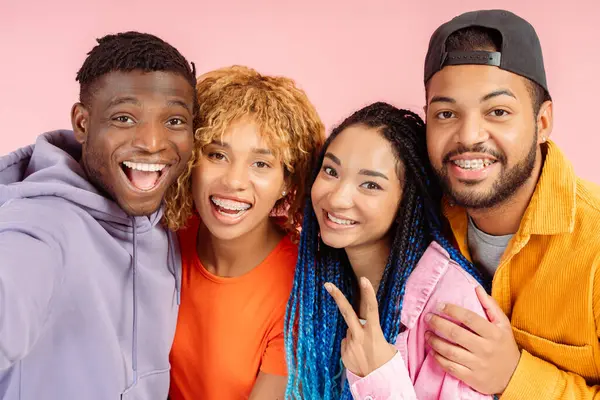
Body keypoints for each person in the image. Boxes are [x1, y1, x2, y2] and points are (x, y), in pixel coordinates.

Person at [0, 32, 196, 399]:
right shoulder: (41, 225)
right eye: (124, 117)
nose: (152, 142)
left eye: (173, 121)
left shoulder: (166, 217)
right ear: (82, 123)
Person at [422, 9, 600, 399]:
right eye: (446, 114)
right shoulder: (420, 217)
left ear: (543, 121)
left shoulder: (595, 245)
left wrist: (516, 378)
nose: (468, 136)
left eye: (498, 112)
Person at [285, 101, 492, 399]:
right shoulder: (320, 282)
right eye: (331, 171)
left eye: (370, 184)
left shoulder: (453, 305)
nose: (339, 198)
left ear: (406, 203)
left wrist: (379, 376)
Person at [164, 65, 325, 399]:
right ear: (192, 161)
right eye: (217, 155)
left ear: (287, 182)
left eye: (261, 164)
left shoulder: (299, 290)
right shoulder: (163, 239)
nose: (234, 181)